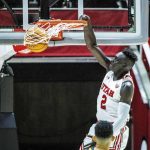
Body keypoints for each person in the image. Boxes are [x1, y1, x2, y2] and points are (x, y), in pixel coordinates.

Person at [79, 15, 138, 150]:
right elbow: (92, 46)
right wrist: (87, 24)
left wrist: (106, 138)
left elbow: (122, 119)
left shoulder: (126, 86)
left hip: (113, 132)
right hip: (99, 127)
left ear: (125, 66)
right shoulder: (110, 68)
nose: (113, 60)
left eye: (117, 60)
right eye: (115, 57)